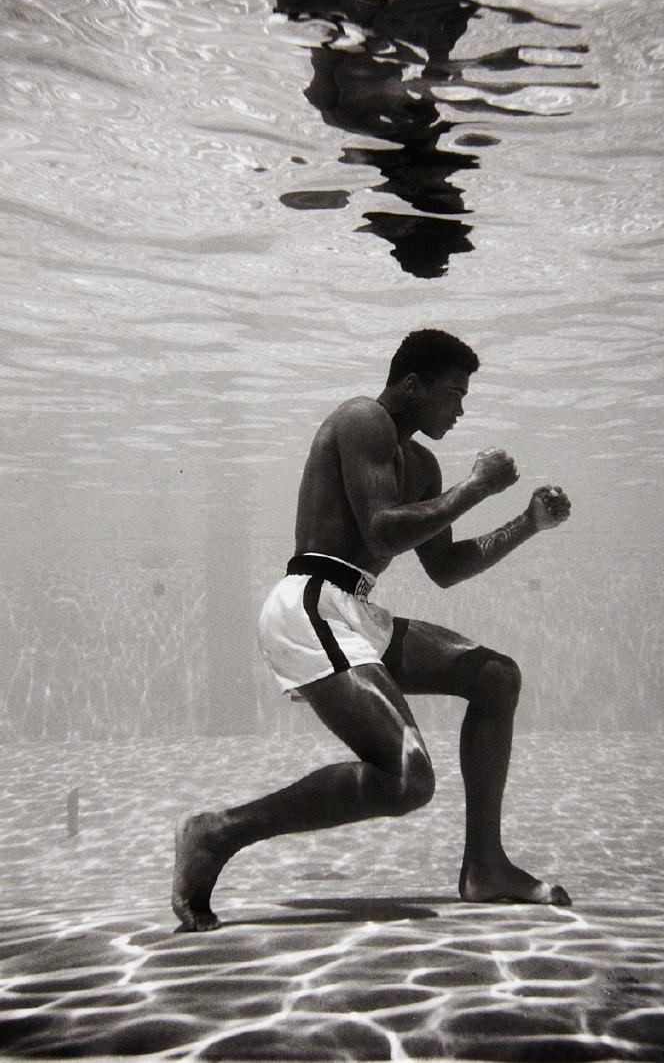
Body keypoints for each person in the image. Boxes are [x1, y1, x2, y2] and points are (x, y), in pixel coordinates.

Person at [172, 328, 572, 931]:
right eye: (452, 394)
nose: (460, 409)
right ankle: (217, 833)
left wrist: (526, 523)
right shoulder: (363, 419)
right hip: (309, 605)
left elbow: (444, 568)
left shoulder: (423, 465)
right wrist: (477, 487)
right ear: (412, 385)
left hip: (356, 610)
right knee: (408, 780)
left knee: (495, 678)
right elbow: (383, 529)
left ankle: (485, 867)